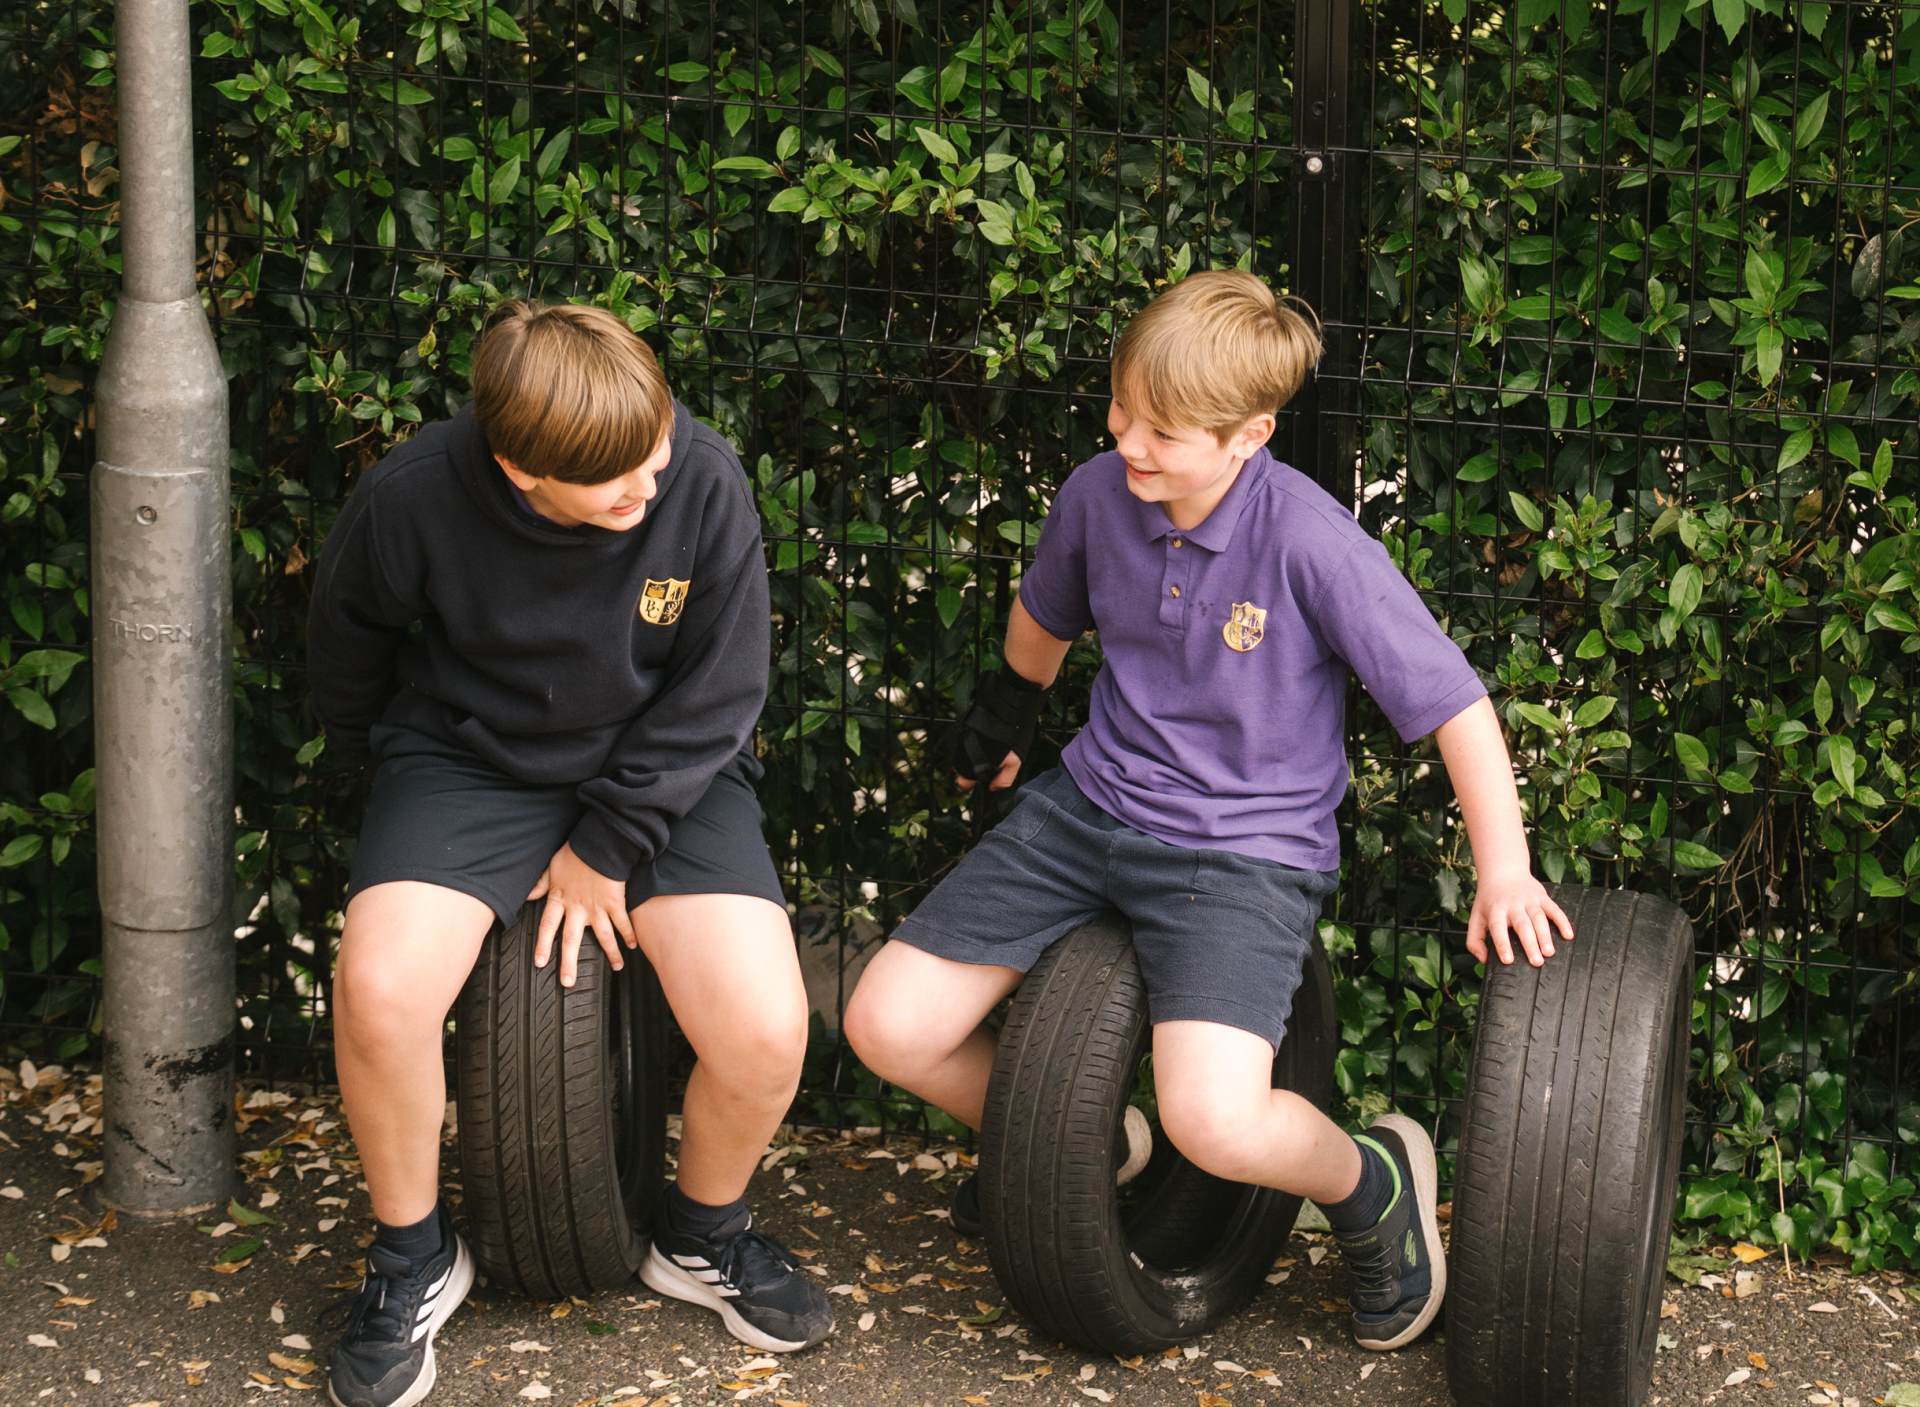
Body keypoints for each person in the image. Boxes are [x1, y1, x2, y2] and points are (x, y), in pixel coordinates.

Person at [843, 269, 1574, 1352]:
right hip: (1091, 804)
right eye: (1121, 410)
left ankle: (1369, 1179)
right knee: (885, 1025)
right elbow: (1045, 615)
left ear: (1250, 436)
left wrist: (1503, 868)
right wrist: (1004, 717)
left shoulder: (1311, 541)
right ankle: (1086, 1144)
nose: (1128, 442)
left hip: (1241, 850)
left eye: (1162, 432)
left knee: (1216, 1121)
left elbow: (1454, 705)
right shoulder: (1101, 493)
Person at [307, 301, 832, 1407]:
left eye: (656, 454)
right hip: (468, 761)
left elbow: (723, 690)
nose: (650, 487)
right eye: (615, 483)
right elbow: (347, 640)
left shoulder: (699, 476)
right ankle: (412, 1258)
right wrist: (399, 788)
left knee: (765, 1027)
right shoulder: (413, 493)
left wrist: (609, 844)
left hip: (666, 769)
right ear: (519, 470)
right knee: (380, 992)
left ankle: (700, 1234)